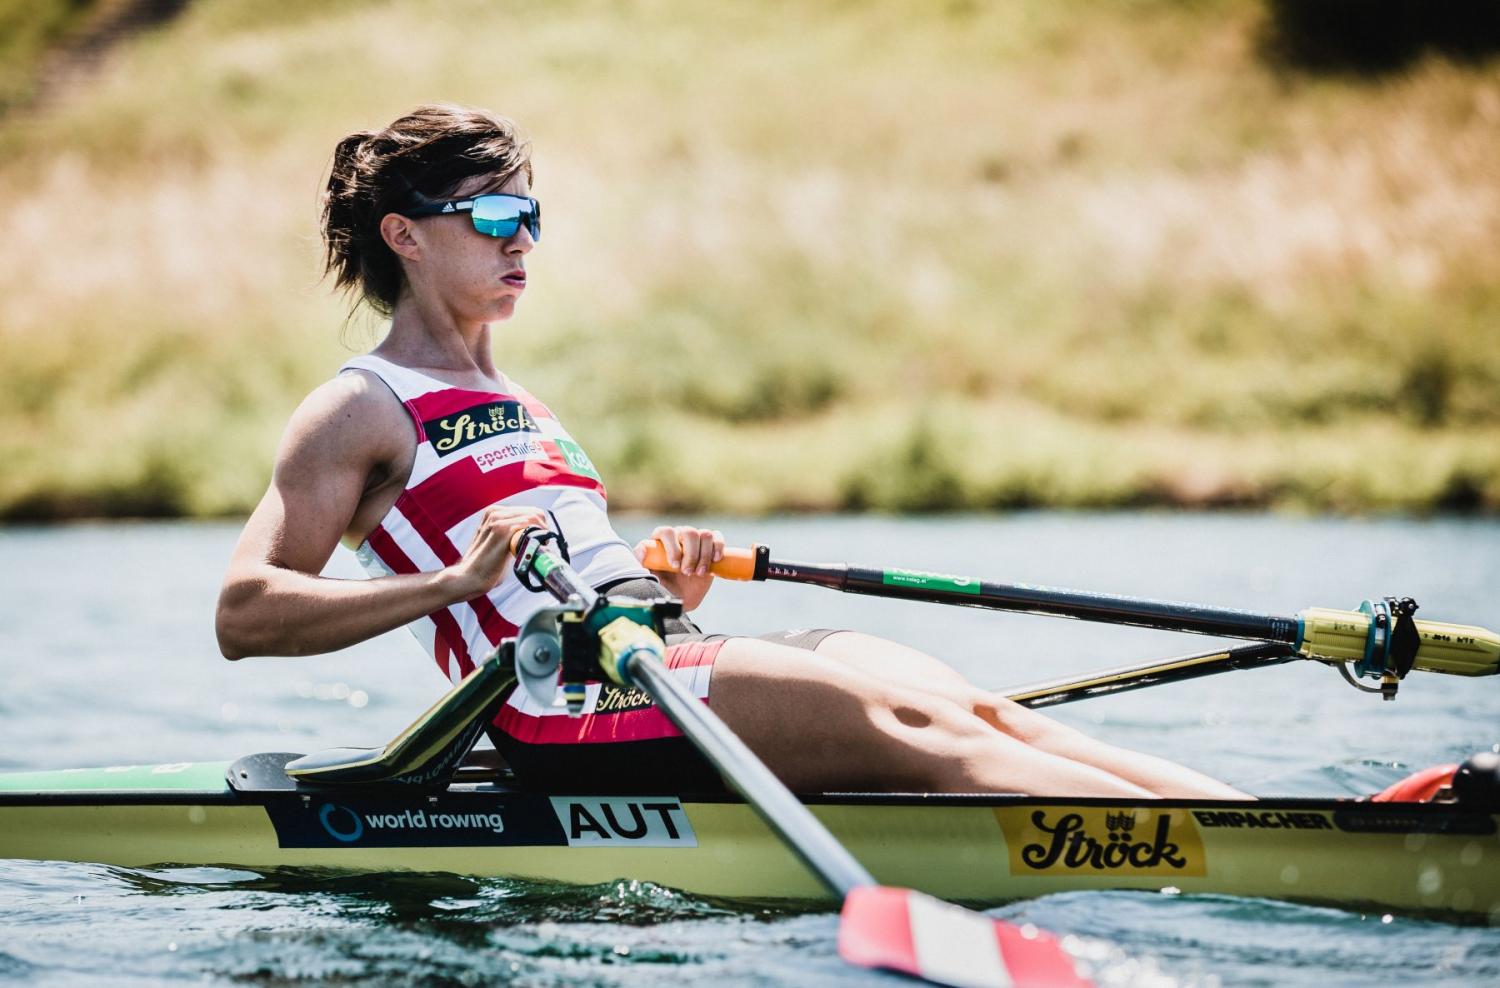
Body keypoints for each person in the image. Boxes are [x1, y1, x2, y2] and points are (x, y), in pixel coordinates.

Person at [215, 103, 1248, 801]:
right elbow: (245, 613)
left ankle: (1270, 822)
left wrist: (668, 589)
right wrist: (453, 582)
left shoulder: (524, 401)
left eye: (530, 215)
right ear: (404, 236)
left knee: (965, 705)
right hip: (556, 707)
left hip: (649, 659)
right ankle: (1226, 855)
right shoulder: (358, 408)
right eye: (492, 215)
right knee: (908, 725)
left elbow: (575, 579)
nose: (521, 239)